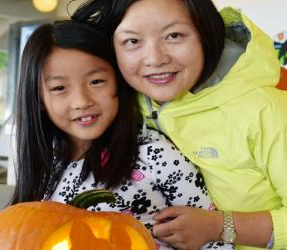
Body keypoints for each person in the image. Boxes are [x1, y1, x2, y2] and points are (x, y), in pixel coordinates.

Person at [72, 0, 287, 249]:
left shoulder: (267, 111)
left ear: (205, 34)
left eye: (174, 35)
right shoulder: (124, 107)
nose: (155, 58)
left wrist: (218, 227)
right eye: (132, 41)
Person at [12, 20, 233, 250]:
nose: (82, 101)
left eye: (96, 81)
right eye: (59, 88)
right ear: (38, 99)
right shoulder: (48, 163)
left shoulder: (155, 154)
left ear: (119, 81)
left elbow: (214, 242)